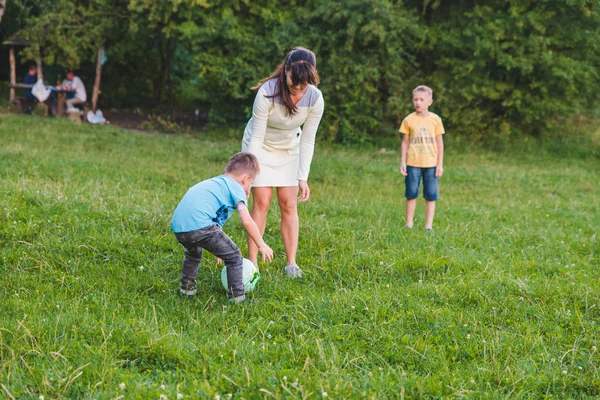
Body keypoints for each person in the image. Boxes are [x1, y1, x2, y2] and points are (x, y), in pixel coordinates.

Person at [241, 47, 325, 278]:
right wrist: (249, 173)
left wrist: (302, 176)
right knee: (262, 202)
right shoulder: (268, 92)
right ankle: (252, 264)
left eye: (304, 84)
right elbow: (256, 137)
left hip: (289, 149)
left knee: (288, 203)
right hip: (261, 147)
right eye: (293, 82)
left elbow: (308, 139)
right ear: (285, 71)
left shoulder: (315, 98)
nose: (298, 88)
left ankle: (291, 264)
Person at [170, 152, 274, 303]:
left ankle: (186, 290)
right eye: (251, 184)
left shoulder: (217, 182)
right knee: (234, 257)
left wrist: (218, 249)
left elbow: (214, 216)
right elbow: (247, 221)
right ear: (246, 179)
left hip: (180, 227)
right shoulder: (237, 188)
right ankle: (237, 297)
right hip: (201, 226)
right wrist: (261, 244)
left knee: (193, 254)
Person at [399, 85, 445, 232]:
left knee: (431, 195)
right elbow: (405, 142)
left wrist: (439, 164)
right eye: (415, 99)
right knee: (411, 193)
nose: (418, 102)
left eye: (421, 99)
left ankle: (428, 226)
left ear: (429, 102)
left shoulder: (436, 120)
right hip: (413, 163)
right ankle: (409, 223)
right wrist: (403, 162)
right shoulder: (408, 120)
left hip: (431, 164)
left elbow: (439, 143)